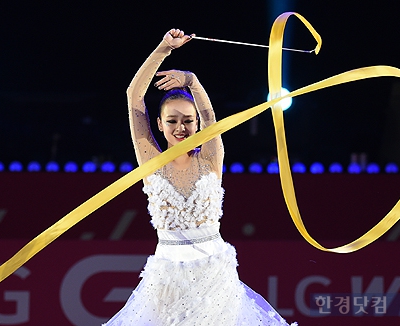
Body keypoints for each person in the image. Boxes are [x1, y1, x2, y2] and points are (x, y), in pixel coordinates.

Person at [103, 29, 297, 326]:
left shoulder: (210, 158)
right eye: (172, 120)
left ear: (196, 124)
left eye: (187, 120)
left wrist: (192, 81)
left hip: (213, 274)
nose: (180, 127)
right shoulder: (151, 161)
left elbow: (210, 117)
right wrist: (163, 49)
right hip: (166, 275)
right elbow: (134, 98)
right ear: (159, 123)